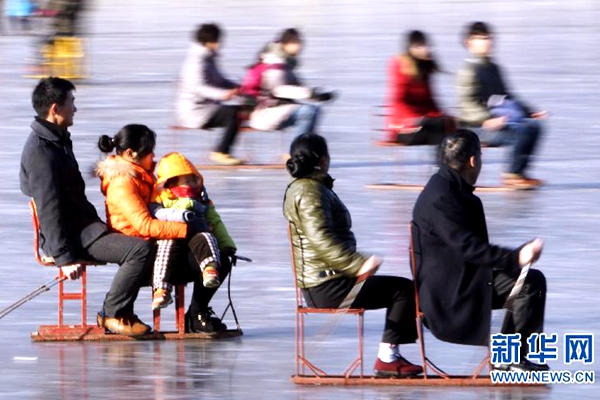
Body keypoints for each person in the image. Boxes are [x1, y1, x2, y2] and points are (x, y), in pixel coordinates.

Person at [20, 77, 155, 337]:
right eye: (71, 102)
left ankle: (123, 310)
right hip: (73, 236)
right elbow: (48, 206)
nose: (75, 108)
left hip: (83, 228)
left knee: (147, 243)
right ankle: (113, 313)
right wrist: (63, 257)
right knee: (139, 250)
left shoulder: (56, 141)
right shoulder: (41, 152)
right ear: (55, 109)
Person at [283, 133, 422, 378]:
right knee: (403, 290)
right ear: (322, 160)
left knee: (401, 288)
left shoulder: (310, 188)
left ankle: (390, 356)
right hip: (327, 285)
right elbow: (321, 239)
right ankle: (388, 359)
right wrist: (357, 264)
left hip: (327, 280)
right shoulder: (309, 191)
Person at [412, 129, 548, 372]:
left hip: (459, 278)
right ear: (473, 161)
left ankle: (508, 356)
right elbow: (467, 247)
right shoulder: (443, 196)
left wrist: (514, 257)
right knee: (530, 283)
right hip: (450, 294)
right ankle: (509, 358)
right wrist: (515, 257)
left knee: (528, 280)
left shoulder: (446, 187)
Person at [96, 125, 234, 333]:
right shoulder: (122, 184)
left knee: (217, 256)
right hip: (146, 258)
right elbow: (145, 225)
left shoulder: (141, 175)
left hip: (155, 245)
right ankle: (196, 314)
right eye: (149, 151)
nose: (153, 156)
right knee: (213, 260)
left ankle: (197, 313)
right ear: (130, 154)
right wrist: (187, 229)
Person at [457, 21, 547, 189]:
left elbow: (507, 96)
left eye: (488, 37)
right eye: (480, 38)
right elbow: (468, 104)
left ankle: (519, 173)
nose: (486, 42)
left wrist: (528, 112)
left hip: (498, 121)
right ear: (469, 42)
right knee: (521, 131)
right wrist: (486, 119)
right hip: (476, 128)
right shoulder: (468, 71)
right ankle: (512, 175)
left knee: (533, 126)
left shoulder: (493, 68)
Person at [148, 152, 237, 309]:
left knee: (206, 237)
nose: (190, 184)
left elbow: (215, 220)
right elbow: (157, 213)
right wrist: (181, 214)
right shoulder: (162, 197)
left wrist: (227, 244)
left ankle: (209, 269)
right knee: (165, 246)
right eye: (185, 181)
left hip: (194, 240)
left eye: (192, 179)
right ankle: (161, 289)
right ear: (172, 181)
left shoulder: (200, 198)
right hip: (172, 237)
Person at [247, 28, 334, 142]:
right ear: (286, 44)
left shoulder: (286, 63)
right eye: (296, 43)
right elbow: (279, 89)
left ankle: (306, 148)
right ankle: (298, 153)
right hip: (266, 113)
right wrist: (310, 93)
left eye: (299, 43)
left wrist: (316, 95)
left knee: (314, 110)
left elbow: (297, 86)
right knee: (308, 112)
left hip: (278, 110)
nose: (299, 47)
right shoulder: (275, 62)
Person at [176, 23, 244, 166]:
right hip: (195, 110)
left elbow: (219, 80)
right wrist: (223, 95)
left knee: (240, 111)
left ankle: (223, 150)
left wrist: (237, 87)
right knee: (234, 114)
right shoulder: (196, 61)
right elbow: (199, 87)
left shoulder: (208, 58)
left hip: (207, 107)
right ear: (209, 42)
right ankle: (221, 152)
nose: (220, 44)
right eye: (218, 40)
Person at [386, 30, 455, 144]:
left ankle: (444, 158)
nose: (424, 49)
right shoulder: (400, 65)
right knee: (434, 129)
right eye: (419, 46)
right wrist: (417, 118)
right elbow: (398, 102)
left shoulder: (425, 67)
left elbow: (429, 101)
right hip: (404, 127)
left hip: (424, 123)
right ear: (410, 48)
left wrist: (442, 116)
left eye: (425, 45)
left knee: (444, 126)